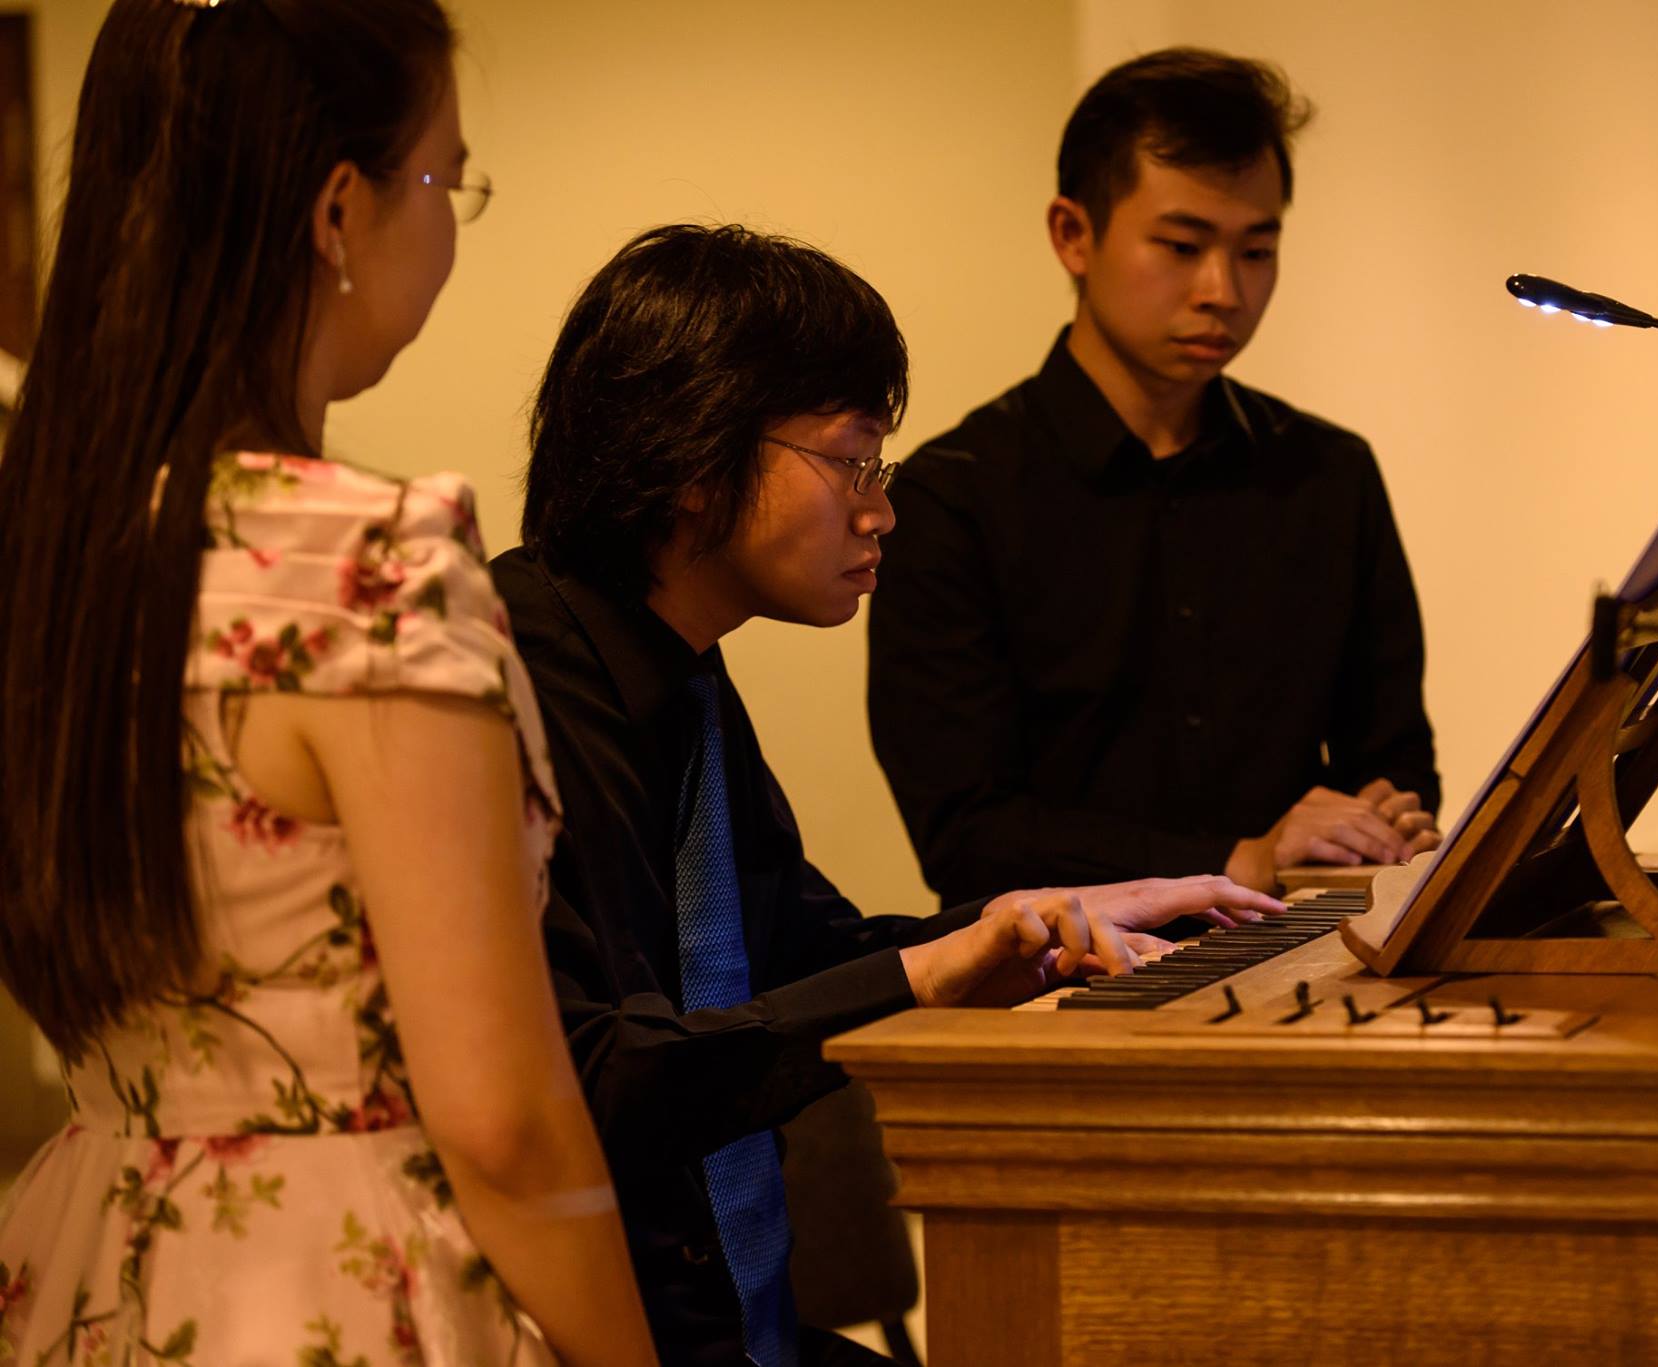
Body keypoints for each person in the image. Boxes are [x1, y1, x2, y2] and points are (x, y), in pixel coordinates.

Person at [491, 222, 1283, 1367]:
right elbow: (602, 1072)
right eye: (852, 461)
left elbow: (810, 955)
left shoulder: (687, 672)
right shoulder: (520, 669)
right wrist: (930, 967)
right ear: (694, 453)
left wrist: (1046, 923)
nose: (880, 510)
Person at [0, 3, 656, 1363]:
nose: (452, 220)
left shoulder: (49, 552)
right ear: (339, 210)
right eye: (445, 175)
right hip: (335, 1280)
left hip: (86, 1255)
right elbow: (505, 1119)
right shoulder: (360, 560)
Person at [868, 48, 1444, 908]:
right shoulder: (954, 493)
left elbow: (1393, 758)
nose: (1223, 290)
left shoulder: (1330, 474)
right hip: (1063, 985)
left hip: (1307, 960)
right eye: (1182, 245)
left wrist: (1385, 818)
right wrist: (1240, 857)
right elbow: (967, 836)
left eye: (1257, 250)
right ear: (1073, 234)